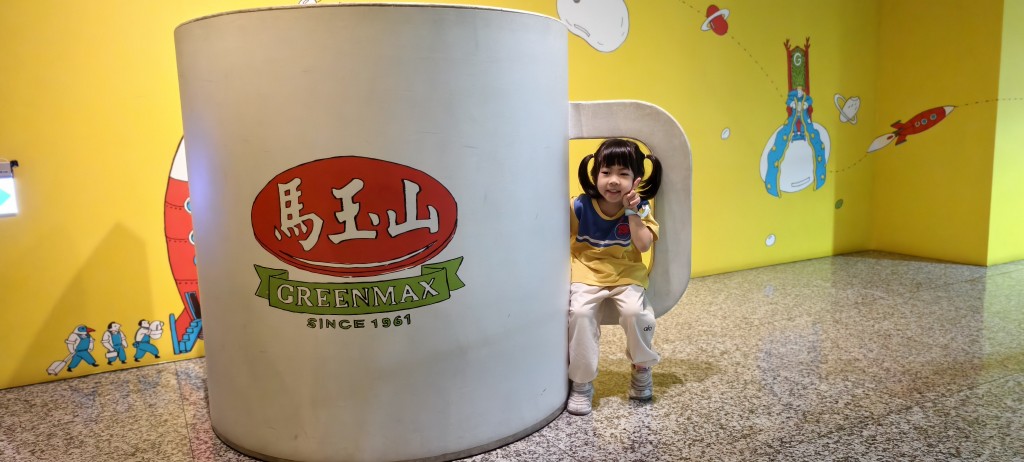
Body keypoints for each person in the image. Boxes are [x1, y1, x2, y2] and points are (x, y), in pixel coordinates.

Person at [567, 138, 663, 416]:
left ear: (636, 179)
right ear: (595, 174)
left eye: (623, 174)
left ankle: (642, 368)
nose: (613, 180)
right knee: (580, 314)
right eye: (606, 172)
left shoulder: (641, 207)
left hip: (626, 274)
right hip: (586, 272)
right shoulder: (579, 205)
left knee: (637, 314)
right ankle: (582, 383)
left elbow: (643, 245)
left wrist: (633, 212)